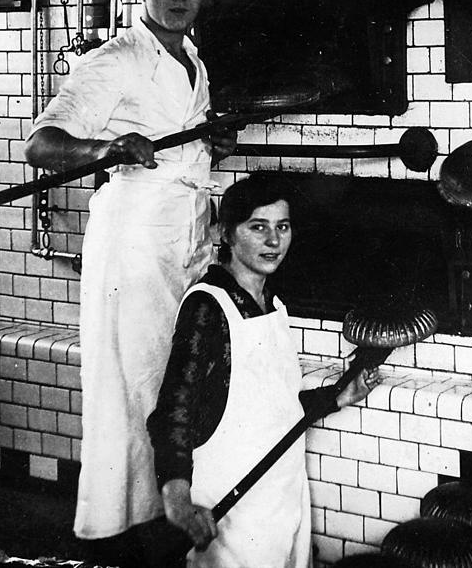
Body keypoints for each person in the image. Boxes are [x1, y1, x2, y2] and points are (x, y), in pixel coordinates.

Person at [25, 0, 236, 561]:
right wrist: (106, 149)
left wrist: (207, 145)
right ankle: (131, 532)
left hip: (184, 234)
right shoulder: (114, 59)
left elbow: (177, 138)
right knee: (140, 383)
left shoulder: (191, 57)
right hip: (134, 243)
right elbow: (41, 144)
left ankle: (163, 516)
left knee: (172, 378)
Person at [147, 173, 379, 567]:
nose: (274, 241)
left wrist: (337, 397)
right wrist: (177, 499)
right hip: (232, 503)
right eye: (258, 227)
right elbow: (174, 410)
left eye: (282, 227)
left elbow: (270, 409)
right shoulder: (209, 306)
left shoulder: (272, 304)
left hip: (282, 491)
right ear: (225, 232)